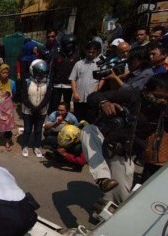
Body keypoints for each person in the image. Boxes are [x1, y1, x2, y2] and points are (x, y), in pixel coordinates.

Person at [81, 73, 168, 205]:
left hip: (124, 153)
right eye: (157, 96)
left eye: (166, 98)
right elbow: (93, 96)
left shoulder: (164, 111)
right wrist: (104, 103)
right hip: (104, 140)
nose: (161, 101)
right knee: (88, 130)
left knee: (120, 198)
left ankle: (103, 207)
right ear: (146, 90)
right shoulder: (132, 95)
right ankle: (102, 178)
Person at [21, 59, 51, 158]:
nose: (41, 75)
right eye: (39, 72)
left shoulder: (47, 82)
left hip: (41, 111)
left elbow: (47, 97)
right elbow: (24, 97)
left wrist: (39, 108)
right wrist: (32, 107)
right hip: (27, 111)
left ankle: (37, 147)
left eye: (43, 73)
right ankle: (25, 146)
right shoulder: (27, 81)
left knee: (38, 130)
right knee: (27, 129)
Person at [69, 40, 101, 122]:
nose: (90, 54)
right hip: (79, 98)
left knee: (90, 120)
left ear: (97, 52)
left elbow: (102, 79)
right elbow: (73, 79)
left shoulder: (100, 64)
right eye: (89, 52)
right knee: (78, 120)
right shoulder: (79, 64)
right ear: (85, 51)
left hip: (92, 98)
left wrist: (97, 89)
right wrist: (75, 92)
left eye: (93, 52)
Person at [48, 34, 80, 113]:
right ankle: (52, 118)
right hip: (57, 84)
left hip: (69, 85)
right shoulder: (57, 55)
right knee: (54, 104)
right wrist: (51, 83)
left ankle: (66, 119)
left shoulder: (76, 56)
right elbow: (52, 70)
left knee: (67, 103)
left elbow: (78, 72)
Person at [0, 64, 16, 152]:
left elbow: (14, 93)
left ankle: (7, 141)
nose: (5, 74)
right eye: (3, 72)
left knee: (8, 126)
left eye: (7, 72)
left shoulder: (12, 83)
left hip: (8, 108)